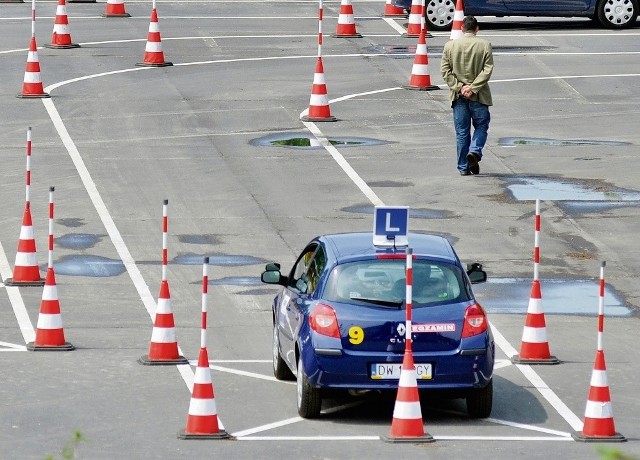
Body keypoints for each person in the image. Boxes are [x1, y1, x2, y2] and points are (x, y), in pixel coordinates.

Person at [440, 15, 494, 176]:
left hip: (458, 97)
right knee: (482, 125)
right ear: (477, 29)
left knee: (462, 132)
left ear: (462, 29)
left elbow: (445, 71)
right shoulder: (485, 45)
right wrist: (473, 87)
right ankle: (475, 151)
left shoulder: (450, 46)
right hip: (479, 95)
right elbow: (487, 69)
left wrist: (460, 87)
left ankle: (463, 167)